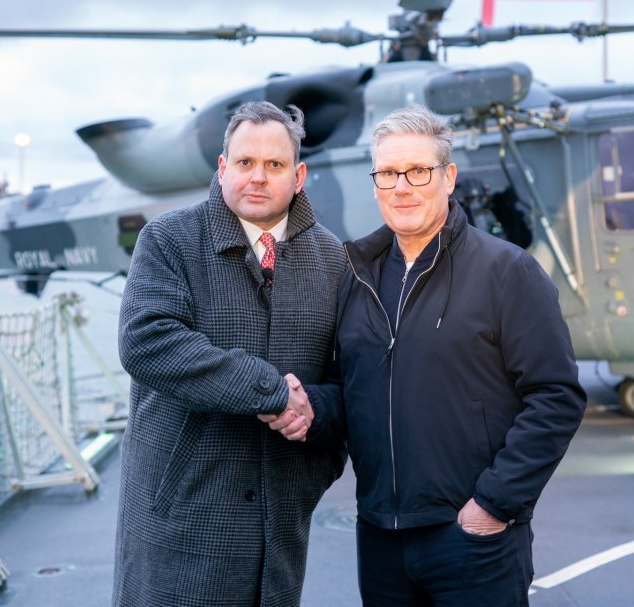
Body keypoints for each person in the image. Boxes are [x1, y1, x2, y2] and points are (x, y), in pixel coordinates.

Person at [266, 104, 587, 606]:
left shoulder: (507, 272)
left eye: (418, 171)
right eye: (388, 173)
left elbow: (556, 397)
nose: (401, 186)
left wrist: (492, 505)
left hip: (472, 538)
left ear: (449, 177)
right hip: (379, 537)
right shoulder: (356, 276)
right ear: (374, 183)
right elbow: (349, 389)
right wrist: (307, 408)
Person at [113, 101, 347, 607]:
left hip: (281, 520)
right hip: (181, 521)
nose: (258, 177)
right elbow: (146, 340)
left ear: (299, 175)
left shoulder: (333, 259)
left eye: (275, 165)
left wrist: (316, 416)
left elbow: (349, 377)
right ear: (222, 170)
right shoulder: (169, 239)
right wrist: (270, 392)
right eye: (244, 163)